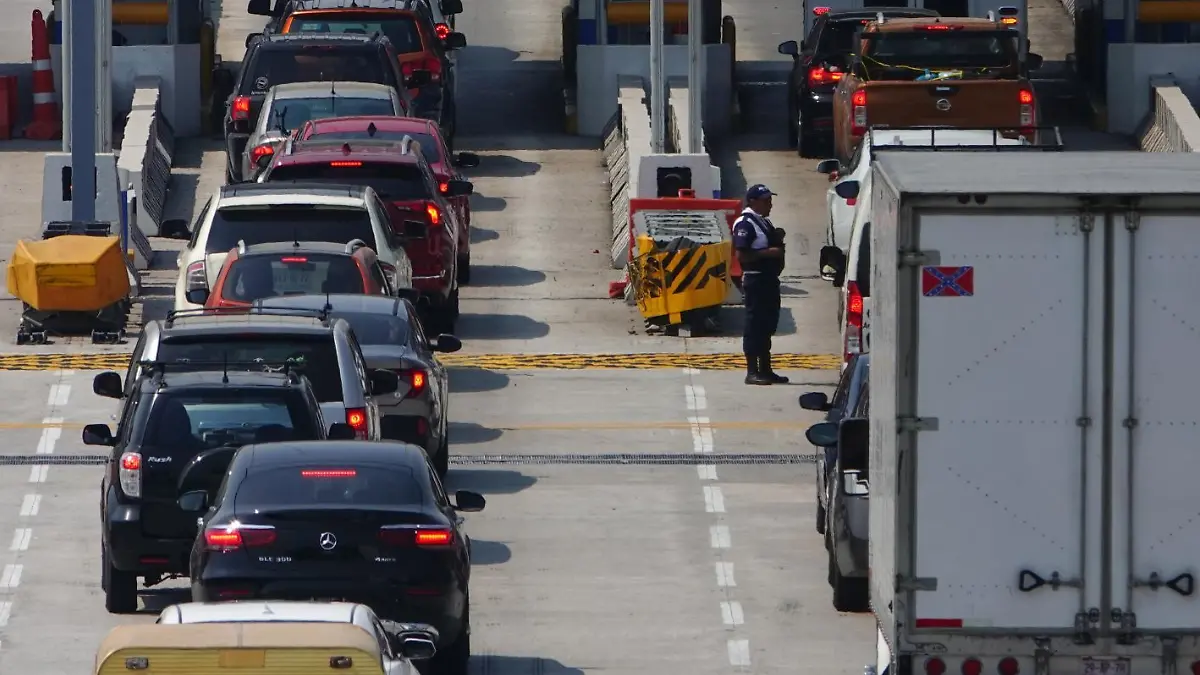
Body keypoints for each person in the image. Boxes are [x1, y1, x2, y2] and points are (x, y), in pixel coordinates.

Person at [732, 184, 789, 386]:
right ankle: (752, 371)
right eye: (766, 201)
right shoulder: (745, 223)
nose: (770, 204)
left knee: (767, 325)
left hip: (768, 280)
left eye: (770, 200)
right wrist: (769, 253)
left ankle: (766, 368)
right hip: (756, 279)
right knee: (755, 325)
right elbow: (741, 254)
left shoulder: (762, 222)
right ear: (753, 202)